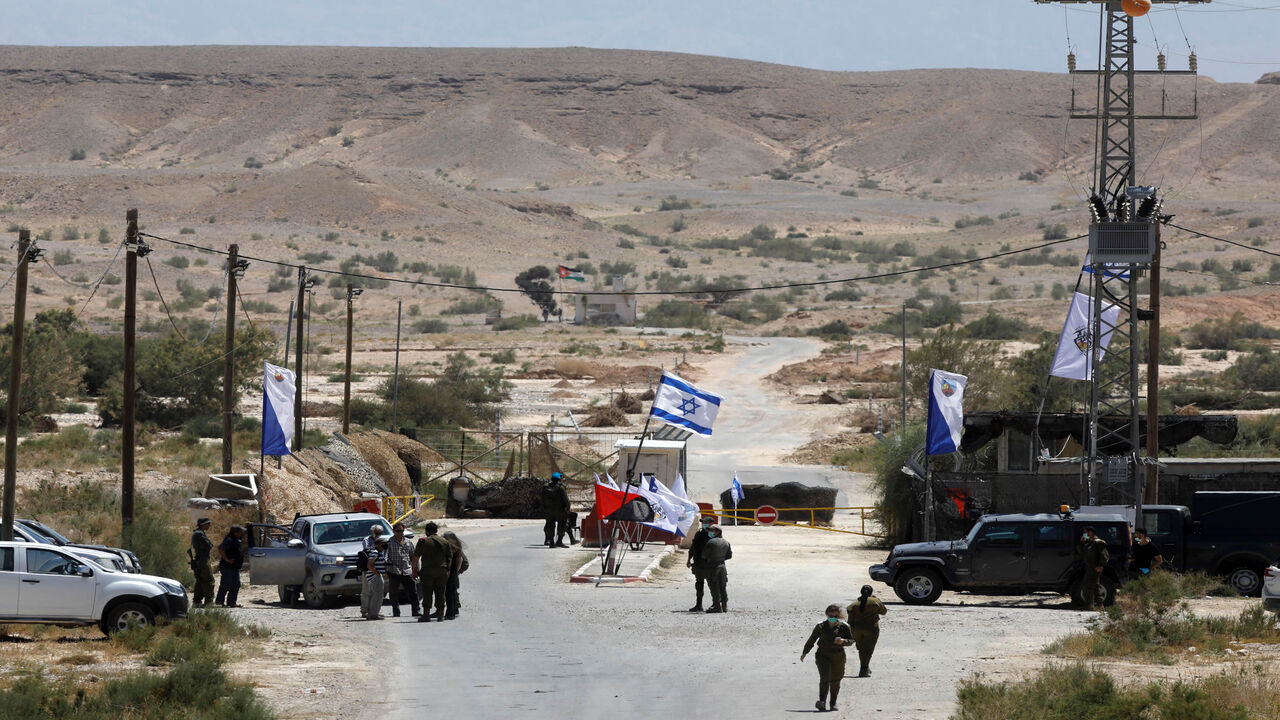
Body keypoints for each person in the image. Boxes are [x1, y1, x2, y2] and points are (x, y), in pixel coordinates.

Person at [800, 604, 853, 713]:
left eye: (835, 614)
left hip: (838, 655)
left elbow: (851, 641)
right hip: (822, 655)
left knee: (836, 680)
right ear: (827, 614)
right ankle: (822, 701)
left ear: (838, 615)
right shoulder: (820, 626)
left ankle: (833, 702)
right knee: (825, 678)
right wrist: (805, 652)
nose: (832, 616)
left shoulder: (844, 626)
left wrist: (843, 641)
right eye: (830, 614)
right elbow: (812, 640)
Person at [412, 521, 453, 622]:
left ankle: (426, 615)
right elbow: (450, 558)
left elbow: (416, 557)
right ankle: (440, 615)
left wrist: (414, 571)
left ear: (426, 531)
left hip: (427, 572)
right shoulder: (444, 541)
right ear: (436, 530)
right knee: (440, 593)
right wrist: (447, 570)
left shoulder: (423, 541)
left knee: (427, 593)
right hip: (442, 571)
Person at [846, 585, 887, 678]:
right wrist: (878, 600)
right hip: (871, 629)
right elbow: (883, 611)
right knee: (868, 649)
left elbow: (850, 620)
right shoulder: (875, 601)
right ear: (871, 592)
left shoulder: (854, 604)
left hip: (856, 629)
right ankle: (863, 669)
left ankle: (865, 667)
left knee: (862, 649)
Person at [384, 522, 420, 618]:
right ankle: (396, 612)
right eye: (398, 531)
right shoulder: (389, 543)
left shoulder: (408, 542)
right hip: (394, 571)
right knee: (394, 593)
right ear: (393, 531)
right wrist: (386, 571)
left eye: (402, 531)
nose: (400, 533)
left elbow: (413, 556)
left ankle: (416, 610)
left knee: (413, 592)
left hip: (407, 571)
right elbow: (385, 557)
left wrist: (415, 569)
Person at [701, 524, 732, 613]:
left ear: (718, 531)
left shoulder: (711, 542)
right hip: (722, 566)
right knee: (722, 586)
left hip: (712, 566)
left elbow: (704, 555)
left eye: (712, 530)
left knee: (714, 586)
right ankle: (724, 606)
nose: (711, 532)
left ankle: (717, 606)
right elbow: (729, 556)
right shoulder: (726, 542)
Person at [1077, 525, 1110, 610]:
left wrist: (1100, 565)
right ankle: (1100, 605)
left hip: (1095, 568)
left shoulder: (1098, 542)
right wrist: (1082, 542)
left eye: (1086, 532)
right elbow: (1080, 551)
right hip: (1089, 567)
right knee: (1095, 586)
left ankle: (1089, 604)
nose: (1084, 534)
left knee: (1087, 585)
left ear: (1090, 532)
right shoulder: (1088, 543)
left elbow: (1104, 556)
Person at [686, 515, 715, 611]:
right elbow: (693, 547)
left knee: (712, 583)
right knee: (699, 583)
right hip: (698, 562)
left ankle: (716, 604)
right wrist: (689, 559)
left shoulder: (714, 533)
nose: (704, 524)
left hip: (709, 563)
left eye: (706, 523)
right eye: (703, 522)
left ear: (711, 524)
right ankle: (699, 605)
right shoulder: (699, 533)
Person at [215, 525, 246, 608]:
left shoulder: (236, 539)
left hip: (234, 567)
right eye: (240, 532)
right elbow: (221, 549)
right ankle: (219, 602)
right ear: (235, 532)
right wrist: (227, 559)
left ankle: (231, 602)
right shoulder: (229, 539)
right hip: (227, 567)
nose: (242, 533)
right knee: (225, 584)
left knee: (236, 584)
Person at [189, 517, 215, 608]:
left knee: (200, 581)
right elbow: (209, 546)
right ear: (203, 525)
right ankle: (209, 602)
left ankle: (197, 602)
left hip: (200, 560)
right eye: (207, 524)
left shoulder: (198, 533)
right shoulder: (199, 534)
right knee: (209, 580)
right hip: (203, 560)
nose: (209, 525)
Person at [542, 473, 572, 547]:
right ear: (559, 479)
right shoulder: (560, 487)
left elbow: (542, 499)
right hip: (560, 510)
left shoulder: (545, 487)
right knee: (562, 524)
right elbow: (566, 500)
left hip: (549, 510)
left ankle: (551, 542)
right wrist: (568, 508)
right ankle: (559, 541)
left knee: (550, 525)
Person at [442, 530, 467, 620]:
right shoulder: (457, 548)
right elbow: (460, 560)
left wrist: (448, 571)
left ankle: (450, 614)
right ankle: (453, 611)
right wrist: (456, 571)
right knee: (452, 593)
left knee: (449, 594)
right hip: (454, 573)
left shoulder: (450, 548)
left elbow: (450, 560)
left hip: (449, 572)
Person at [362, 537, 388, 620]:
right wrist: (377, 573)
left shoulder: (379, 552)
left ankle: (372, 613)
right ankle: (373, 614)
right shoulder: (375, 552)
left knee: (376, 595)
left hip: (375, 576)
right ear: (379, 544)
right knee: (378, 596)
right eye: (384, 543)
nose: (386, 545)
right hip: (375, 576)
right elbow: (370, 565)